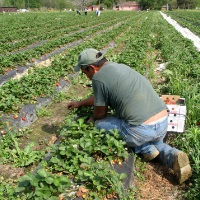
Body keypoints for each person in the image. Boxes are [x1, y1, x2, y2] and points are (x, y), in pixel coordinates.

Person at [67, 48, 192, 184]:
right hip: (162, 122)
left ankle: (143, 148)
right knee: (154, 140)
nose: (86, 75)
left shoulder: (98, 78)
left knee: (99, 124)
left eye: (84, 72)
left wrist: (93, 119)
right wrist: (80, 103)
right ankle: (171, 154)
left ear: (91, 68)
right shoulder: (120, 67)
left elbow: (100, 113)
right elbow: (99, 97)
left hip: (141, 130)